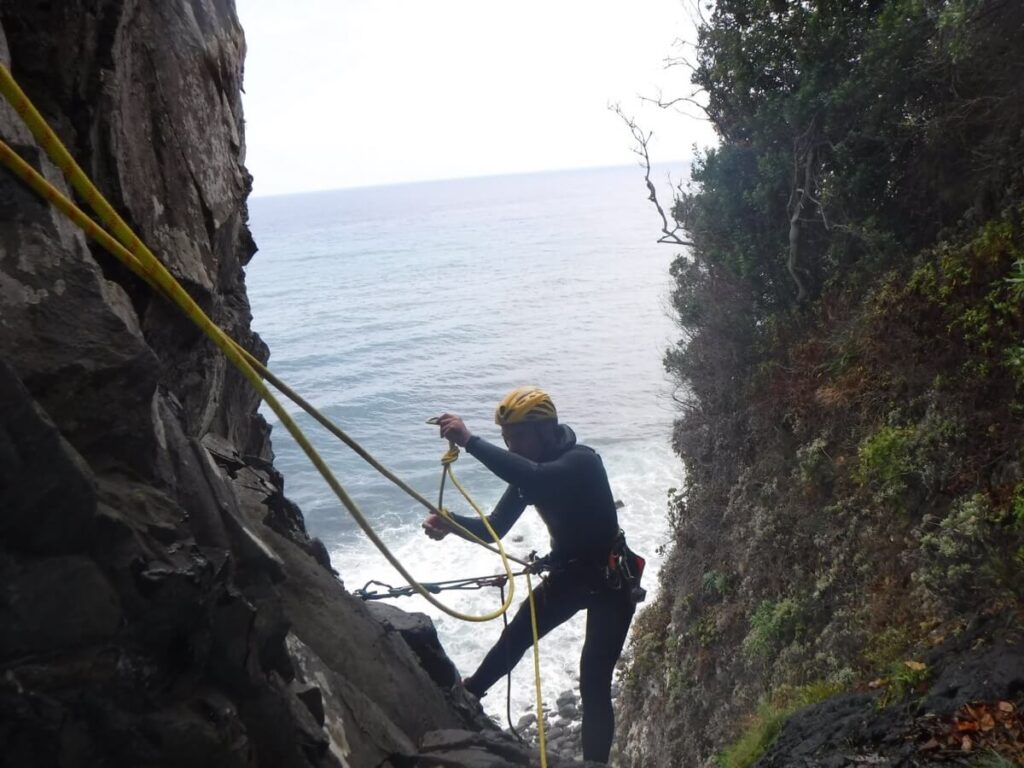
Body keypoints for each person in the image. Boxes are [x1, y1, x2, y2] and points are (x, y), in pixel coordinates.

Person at [422, 386, 637, 764]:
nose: (511, 446)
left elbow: (538, 477)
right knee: (517, 634)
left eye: (518, 436)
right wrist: (450, 523)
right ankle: (468, 694)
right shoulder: (529, 475)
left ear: (546, 430)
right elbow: (495, 527)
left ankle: (595, 765)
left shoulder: (581, 462)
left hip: (609, 581)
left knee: (593, 681)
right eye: (506, 439)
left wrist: (470, 441)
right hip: (570, 574)